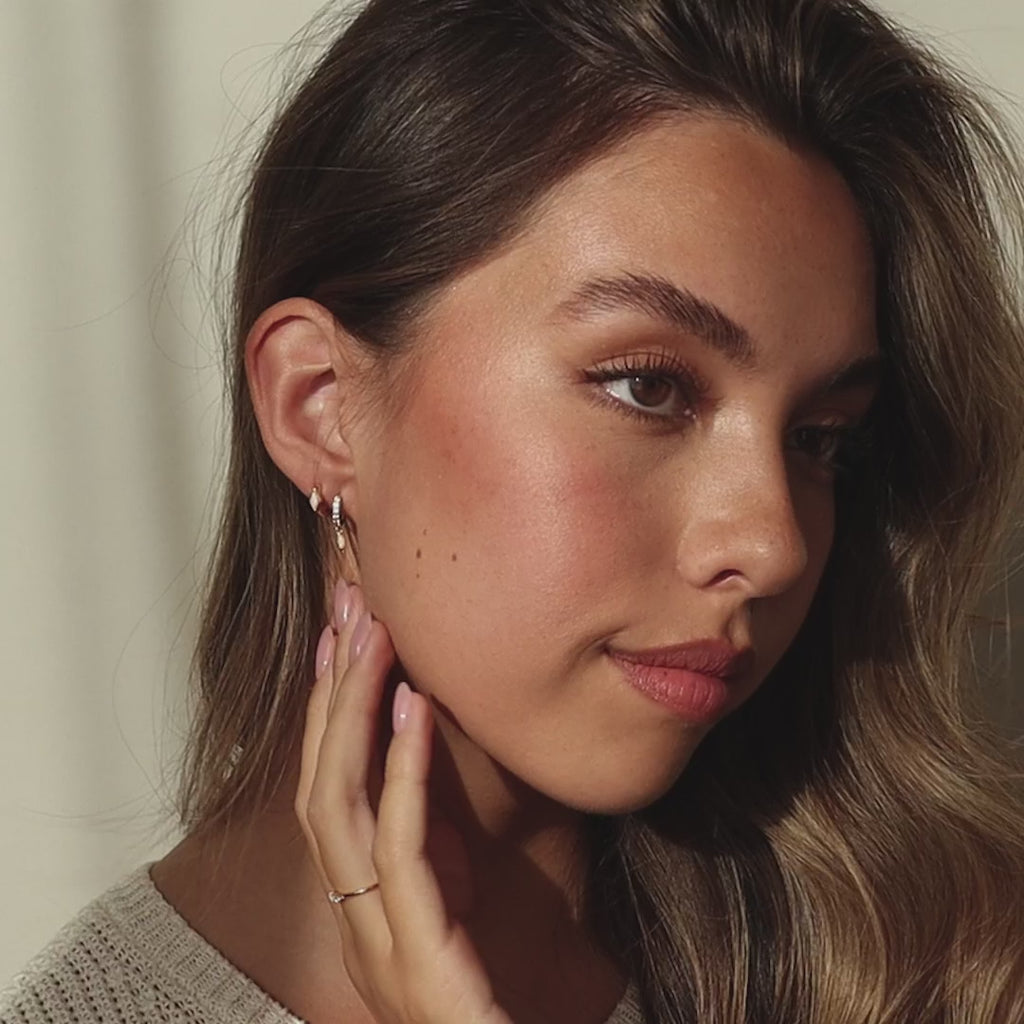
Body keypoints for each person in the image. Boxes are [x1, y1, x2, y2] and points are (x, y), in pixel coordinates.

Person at [4, 0, 1024, 1020]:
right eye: (648, 387)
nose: (772, 542)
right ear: (321, 406)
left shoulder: (934, 959)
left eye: (818, 438)